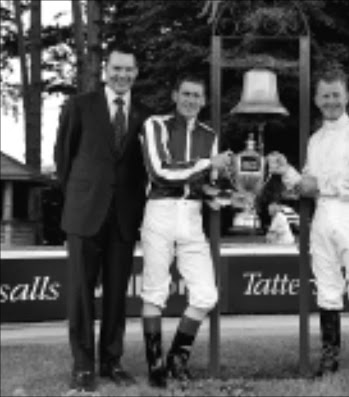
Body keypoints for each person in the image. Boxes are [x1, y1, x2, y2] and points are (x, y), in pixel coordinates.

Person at [268, 68, 349, 379]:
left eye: (336, 94)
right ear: (317, 100)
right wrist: (285, 169)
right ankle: (330, 357)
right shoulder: (315, 140)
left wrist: (320, 184)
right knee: (327, 288)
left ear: (347, 97)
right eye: (325, 95)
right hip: (322, 216)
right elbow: (305, 184)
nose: (331, 101)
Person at [54, 44, 150, 393]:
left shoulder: (144, 115)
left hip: (124, 217)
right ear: (105, 70)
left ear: (136, 73)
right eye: (117, 69)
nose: (122, 75)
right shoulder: (80, 106)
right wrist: (80, 198)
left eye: (129, 70)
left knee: (115, 295)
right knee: (80, 293)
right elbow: (63, 158)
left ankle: (112, 361)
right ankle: (82, 367)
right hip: (84, 214)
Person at [139, 74, 232, 388]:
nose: (191, 100)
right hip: (160, 211)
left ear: (204, 101)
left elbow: (209, 183)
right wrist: (207, 164)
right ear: (175, 95)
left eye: (197, 96)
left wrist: (232, 195)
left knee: (206, 294)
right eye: (186, 94)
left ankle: (176, 360)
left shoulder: (210, 134)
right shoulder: (156, 125)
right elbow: (161, 171)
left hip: (192, 215)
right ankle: (154, 367)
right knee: (155, 289)